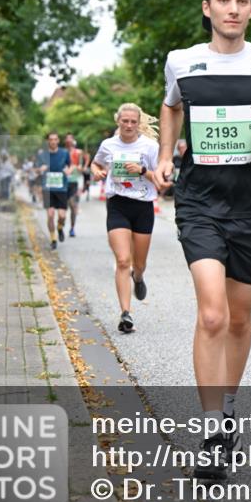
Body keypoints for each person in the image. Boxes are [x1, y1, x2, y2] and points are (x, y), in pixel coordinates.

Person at [153, 0, 251, 481]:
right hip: (198, 201)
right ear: (207, 8)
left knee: (239, 319)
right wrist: (164, 153)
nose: (232, 8)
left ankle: (229, 405)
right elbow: (170, 105)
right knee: (213, 315)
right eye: (223, 0)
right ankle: (213, 429)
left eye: (241, 1)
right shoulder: (183, 61)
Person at [90, 104, 160, 334]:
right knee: (122, 260)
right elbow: (96, 162)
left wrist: (141, 170)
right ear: (118, 121)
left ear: (138, 123)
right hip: (118, 204)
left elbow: (159, 179)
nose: (129, 125)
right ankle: (125, 314)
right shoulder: (108, 145)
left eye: (133, 122)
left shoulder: (150, 147)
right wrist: (97, 171)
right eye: (125, 121)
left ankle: (138, 278)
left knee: (138, 265)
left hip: (143, 207)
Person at [37, 132, 71, 250]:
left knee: (62, 215)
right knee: (50, 214)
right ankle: (53, 239)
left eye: (55, 139)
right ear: (48, 141)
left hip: (61, 187)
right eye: (51, 139)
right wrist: (40, 169)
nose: (53, 141)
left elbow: (69, 166)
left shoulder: (64, 153)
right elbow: (37, 170)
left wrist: (68, 170)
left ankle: (60, 227)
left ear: (58, 141)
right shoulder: (42, 155)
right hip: (48, 188)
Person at [64, 134, 85, 236]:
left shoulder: (78, 152)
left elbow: (81, 166)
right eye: (67, 139)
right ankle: (60, 224)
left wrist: (76, 168)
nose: (68, 141)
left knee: (72, 205)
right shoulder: (62, 153)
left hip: (75, 181)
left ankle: (72, 228)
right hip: (63, 182)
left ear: (73, 140)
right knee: (64, 207)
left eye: (70, 139)